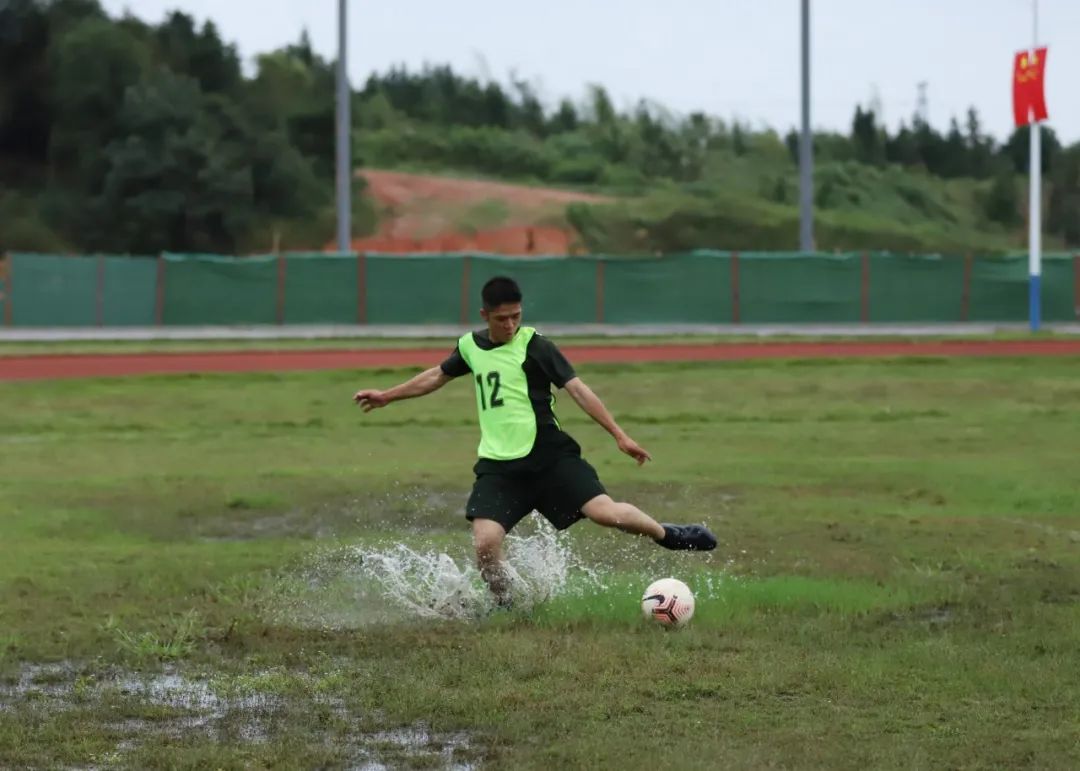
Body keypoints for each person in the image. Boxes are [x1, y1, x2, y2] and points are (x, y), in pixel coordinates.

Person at [352, 275, 716, 606]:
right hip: (499, 467)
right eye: (501, 318)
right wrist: (388, 395)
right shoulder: (469, 347)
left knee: (605, 513)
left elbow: (579, 390)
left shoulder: (537, 346)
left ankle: (667, 534)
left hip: (550, 456)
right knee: (485, 544)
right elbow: (436, 376)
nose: (510, 324)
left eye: (516, 316)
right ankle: (507, 607)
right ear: (485, 315)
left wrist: (619, 435)